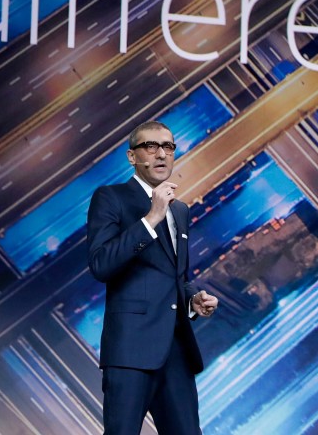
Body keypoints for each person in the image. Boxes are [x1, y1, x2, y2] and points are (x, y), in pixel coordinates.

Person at [87, 120, 219, 434]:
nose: (161, 154)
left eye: (168, 147)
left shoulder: (181, 210)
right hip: (130, 350)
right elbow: (101, 264)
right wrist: (151, 219)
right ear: (132, 157)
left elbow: (175, 277)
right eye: (151, 146)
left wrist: (193, 301)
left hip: (175, 351)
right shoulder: (111, 197)